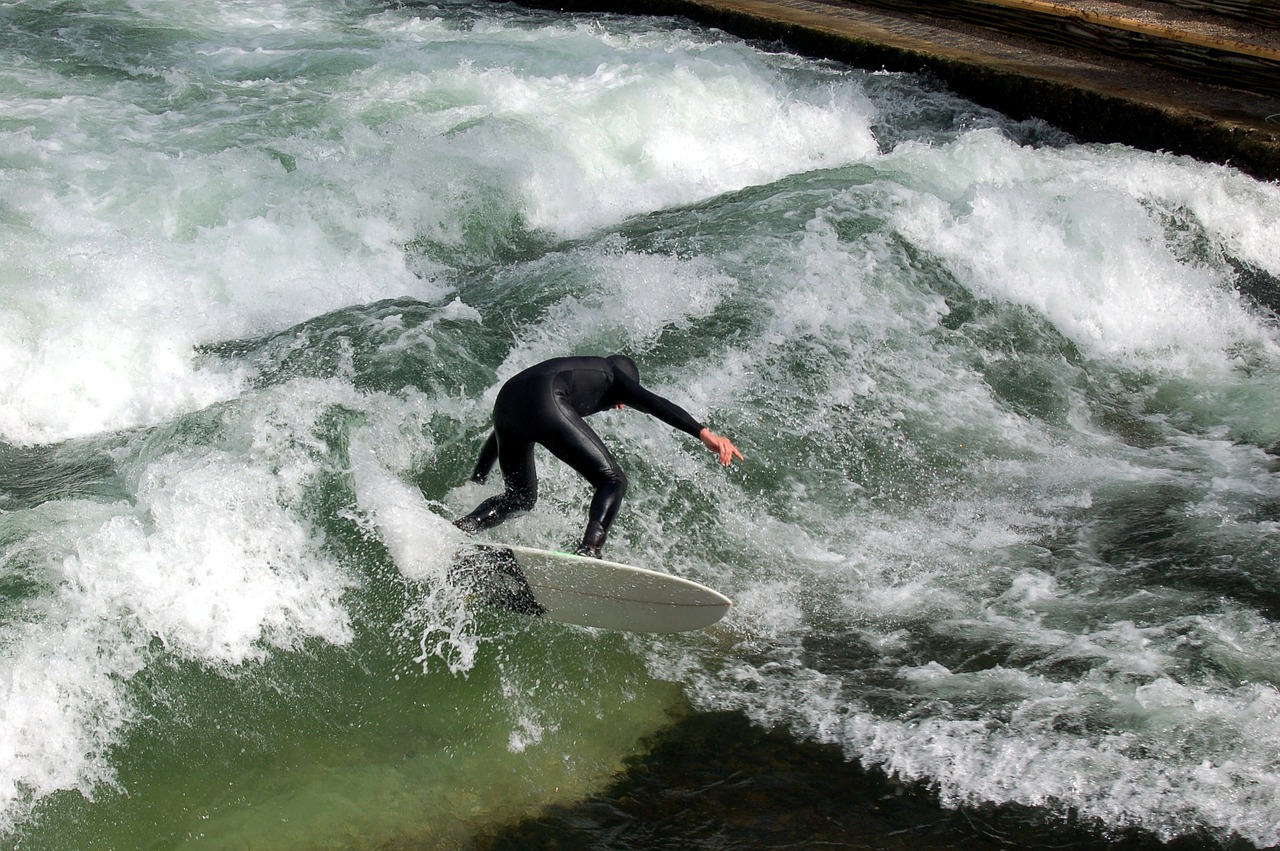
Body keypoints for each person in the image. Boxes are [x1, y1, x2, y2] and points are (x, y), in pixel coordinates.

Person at [454, 354, 743, 558]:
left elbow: (501, 432)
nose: (619, 407)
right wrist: (704, 433)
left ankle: (462, 529)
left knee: (519, 498)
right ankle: (589, 550)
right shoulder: (612, 374)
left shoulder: (579, 372)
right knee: (613, 480)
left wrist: (478, 475)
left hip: (507, 403)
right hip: (544, 399)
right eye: (623, 401)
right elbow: (653, 402)